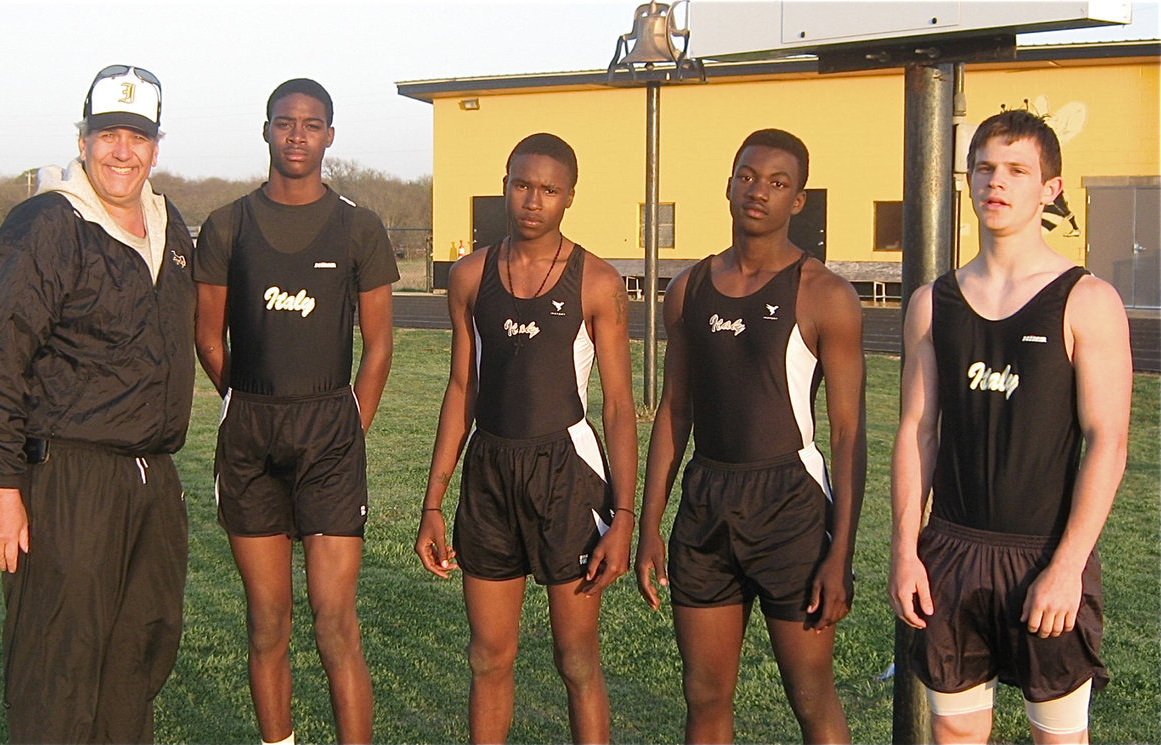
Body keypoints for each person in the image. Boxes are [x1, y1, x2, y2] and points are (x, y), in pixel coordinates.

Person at [0, 65, 194, 743]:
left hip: (151, 478)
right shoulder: (46, 225)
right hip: (68, 476)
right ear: (84, 137)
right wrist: (3, 485)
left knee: (136, 662)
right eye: (107, 134)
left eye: (137, 135)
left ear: (156, 144)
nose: (121, 150)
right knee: (58, 675)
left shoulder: (169, 225)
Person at [887, 110, 1132, 745]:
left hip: (1044, 555)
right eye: (985, 168)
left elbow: (1109, 441)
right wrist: (906, 550)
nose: (997, 182)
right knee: (956, 735)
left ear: (1049, 188)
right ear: (967, 179)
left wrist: (1068, 565)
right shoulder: (930, 303)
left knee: (1056, 738)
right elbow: (916, 429)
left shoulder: (1086, 299)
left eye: (1018, 170)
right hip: (951, 551)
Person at [636, 129, 865, 744]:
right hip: (706, 502)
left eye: (777, 182)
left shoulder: (825, 295)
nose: (757, 191)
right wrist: (650, 525)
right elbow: (674, 411)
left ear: (798, 200)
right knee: (705, 696)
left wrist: (839, 553)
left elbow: (848, 435)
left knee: (810, 695)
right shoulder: (688, 288)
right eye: (747, 176)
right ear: (729, 183)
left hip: (789, 503)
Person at [192, 78, 398, 745]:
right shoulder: (228, 224)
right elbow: (207, 335)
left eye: (312, 124)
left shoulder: (359, 226)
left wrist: (348, 425)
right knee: (267, 620)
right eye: (286, 123)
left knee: (335, 620)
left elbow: (380, 345)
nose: (298, 135)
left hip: (330, 434)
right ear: (267, 130)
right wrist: (244, 402)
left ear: (330, 135)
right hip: (250, 432)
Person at [414, 133, 636, 744]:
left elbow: (619, 407)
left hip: (565, 472)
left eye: (548, 189)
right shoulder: (469, 276)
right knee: (488, 656)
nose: (532, 200)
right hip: (489, 470)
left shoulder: (598, 282)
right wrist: (433, 503)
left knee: (576, 661)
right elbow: (461, 388)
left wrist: (623, 516)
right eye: (521, 185)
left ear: (569, 197)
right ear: (505, 184)